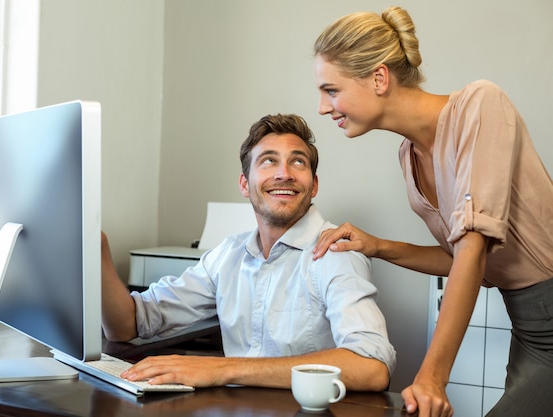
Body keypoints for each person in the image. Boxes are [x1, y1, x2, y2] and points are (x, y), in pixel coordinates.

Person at [312, 6, 553, 417]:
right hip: (529, 325)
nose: (322, 107)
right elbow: (462, 256)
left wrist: (432, 377)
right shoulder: (408, 155)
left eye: (331, 90)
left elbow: (473, 251)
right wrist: (378, 246)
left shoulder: (480, 105)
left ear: (379, 77)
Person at [101, 113, 396, 391]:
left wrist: (223, 369)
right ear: (245, 184)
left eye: (298, 162)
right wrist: (97, 254)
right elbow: (127, 325)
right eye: (269, 161)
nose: (284, 173)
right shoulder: (227, 255)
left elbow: (372, 366)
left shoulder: (336, 252)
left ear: (313, 185)